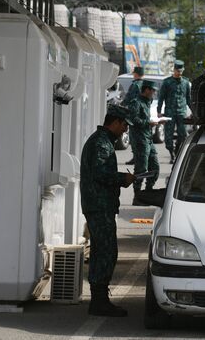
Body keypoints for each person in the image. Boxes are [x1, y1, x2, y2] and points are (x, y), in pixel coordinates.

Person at [80, 105, 135, 317]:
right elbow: (102, 173)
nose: (125, 129)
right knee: (105, 252)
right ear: (115, 122)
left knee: (103, 251)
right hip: (99, 206)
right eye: (124, 125)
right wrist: (124, 178)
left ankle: (100, 299)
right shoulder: (101, 143)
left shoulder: (102, 141)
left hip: (100, 205)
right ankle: (99, 301)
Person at [128, 80, 163, 199]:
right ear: (146, 90)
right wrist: (148, 123)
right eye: (152, 90)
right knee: (141, 168)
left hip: (148, 138)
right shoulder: (136, 102)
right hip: (139, 139)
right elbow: (132, 119)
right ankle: (137, 195)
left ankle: (148, 191)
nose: (154, 93)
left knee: (155, 167)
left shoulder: (147, 102)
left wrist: (156, 122)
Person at [158, 60, 191, 163]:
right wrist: (159, 111)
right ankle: (171, 154)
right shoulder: (167, 82)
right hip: (169, 112)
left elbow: (188, 98)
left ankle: (177, 149)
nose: (179, 73)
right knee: (168, 135)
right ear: (174, 70)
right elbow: (161, 97)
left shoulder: (186, 83)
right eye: (177, 71)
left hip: (181, 112)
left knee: (183, 135)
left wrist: (193, 111)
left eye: (181, 71)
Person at [122, 66, 144, 165]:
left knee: (134, 137)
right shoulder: (146, 85)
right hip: (143, 115)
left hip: (134, 114)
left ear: (136, 74)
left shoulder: (135, 85)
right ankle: (142, 158)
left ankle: (136, 158)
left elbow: (128, 98)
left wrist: (121, 104)